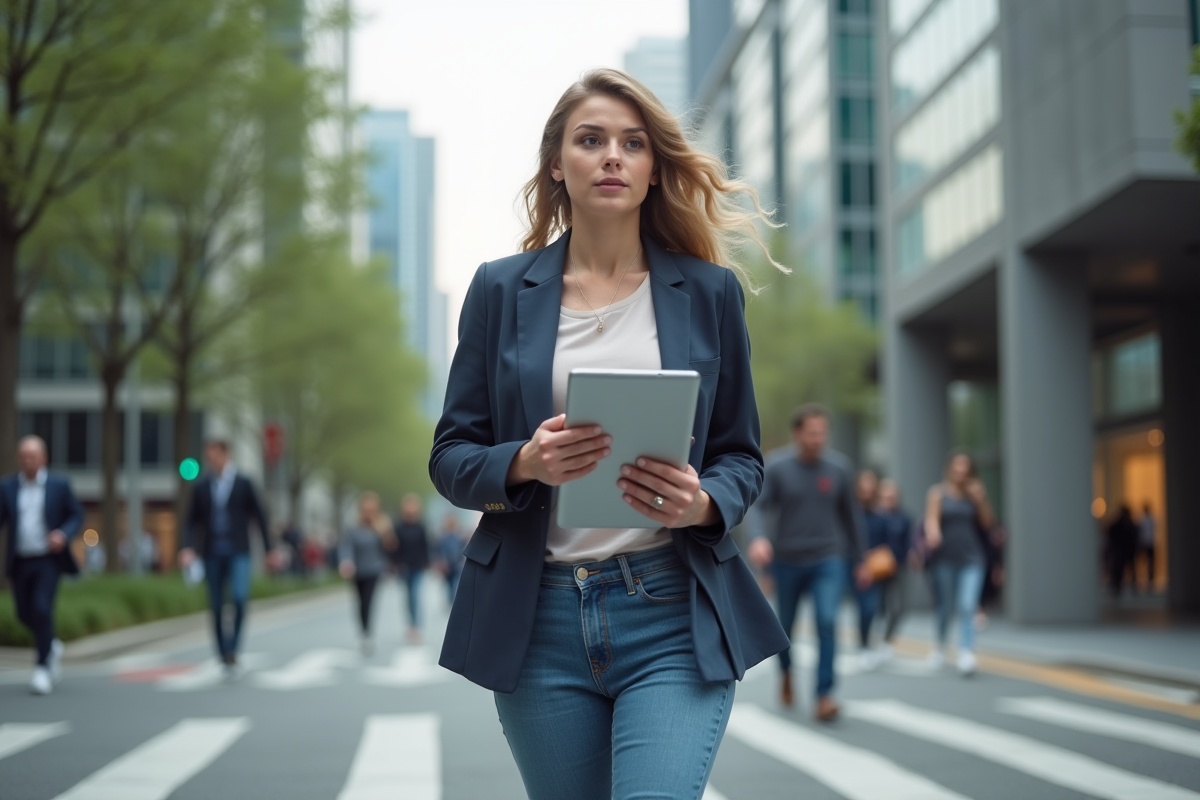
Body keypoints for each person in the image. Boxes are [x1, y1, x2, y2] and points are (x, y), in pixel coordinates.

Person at [429, 68, 788, 800]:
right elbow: (450, 457)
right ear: (557, 165)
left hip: (670, 611)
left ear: (655, 169)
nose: (613, 156)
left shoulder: (709, 293)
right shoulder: (500, 290)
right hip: (538, 621)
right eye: (591, 140)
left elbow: (741, 457)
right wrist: (524, 462)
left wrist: (703, 502)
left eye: (632, 143)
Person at [747, 404, 869, 721]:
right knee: (784, 629)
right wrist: (758, 538)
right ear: (797, 433)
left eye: (822, 433)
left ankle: (824, 694)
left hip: (828, 557)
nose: (818, 439)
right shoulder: (777, 467)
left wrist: (860, 559)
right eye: (812, 432)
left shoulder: (839, 469)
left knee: (827, 622)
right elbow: (759, 508)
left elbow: (850, 518)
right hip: (786, 560)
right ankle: (786, 672)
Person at [178, 439, 278, 674]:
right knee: (215, 603)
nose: (211, 461)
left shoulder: (244, 483)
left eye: (214, 456)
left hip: (238, 551)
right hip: (211, 551)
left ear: (226, 455)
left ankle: (233, 647)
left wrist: (269, 549)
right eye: (208, 457)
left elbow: (260, 517)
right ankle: (223, 652)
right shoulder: (201, 486)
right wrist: (187, 547)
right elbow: (190, 521)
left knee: (240, 598)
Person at [0, 435, 84, 695]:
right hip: (20, 559)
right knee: (24, 614)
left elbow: (77, 514)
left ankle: (43, 667)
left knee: (42, 607)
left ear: (44, 458)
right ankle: (50, 644)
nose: (28, 461)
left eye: (33, 456)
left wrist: (62, 534)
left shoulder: (59, 485)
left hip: (48, 559)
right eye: (24, 456)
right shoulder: (8, 487)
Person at [923, 451, 996, 676]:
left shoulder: (974, 494)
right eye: (957, 467)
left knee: (967, 605)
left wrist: (980, 499)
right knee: (945, 607)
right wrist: (933, 534)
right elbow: (931, 520)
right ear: (950, 469)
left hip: (972, 558)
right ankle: (940, 646)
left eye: (965, 469)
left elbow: (988, 523)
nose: (961, 472)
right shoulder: (937, 493)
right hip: (945, 558)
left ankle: (966, 652)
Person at [338, 492, 395, 655]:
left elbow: (390, 548)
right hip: (357, 570)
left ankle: (368, 634)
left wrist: (387, 535)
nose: (369, 511)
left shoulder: (381, 526)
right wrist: (345, 561)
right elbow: (346, 546)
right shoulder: (353, 527)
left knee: (369, 602)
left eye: (372, 509)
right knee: (360, 603)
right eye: (366, 508)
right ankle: (362, 632)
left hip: (374, 569)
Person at [868, 478, 913, 663]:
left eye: (892, 495)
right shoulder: (873, 517)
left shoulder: (904, 518)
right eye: (885, 495)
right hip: (876, 568)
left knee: (899, 607)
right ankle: (872, 642)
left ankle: (886, 640)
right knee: (877, 607)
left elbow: (909, 542)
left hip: (898, 568)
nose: (889, 499)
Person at [850, 469, 883, 669]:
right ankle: (863, 645)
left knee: (875, 608)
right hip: (855, 567)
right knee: (866, 607)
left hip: (877, 568)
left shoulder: (880, 514)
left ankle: (872, 643)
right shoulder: (851, 513)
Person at [392, 493, 430, 644]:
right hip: (403, 566)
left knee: (415, 595)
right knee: (407, 597)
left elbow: (426, 546)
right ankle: (411, 624)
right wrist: (395, 563)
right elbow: (395, 547)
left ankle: (415, 626)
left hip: (418, 566)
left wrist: (427, 562)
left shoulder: (421, 526)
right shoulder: (398, 526)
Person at [1105, 505, 1139, 598]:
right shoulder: (1125, 525)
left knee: (1124, 570)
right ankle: (1119, 588)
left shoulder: (1127, 525)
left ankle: (1124, 588)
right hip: (1121, 551)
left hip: (1124, 551)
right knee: (1120, 571)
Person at [435, 513, 467, 603]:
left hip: (456, 564)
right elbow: (439, 551)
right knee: (448, 583)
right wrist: (440, 563)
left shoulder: (458, 537)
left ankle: (453, 599)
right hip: (446, 565)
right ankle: (450, 599)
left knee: (454, 583)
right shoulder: (443, 538)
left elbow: (462, 549)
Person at [1138, 502, 1156, 593]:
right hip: (1147, 543)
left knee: (1149, 563)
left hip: (1148, 543)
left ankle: (1149, 580)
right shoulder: (1146, 520)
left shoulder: (1146, 520)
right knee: (1146, 563)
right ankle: (1144, 579)